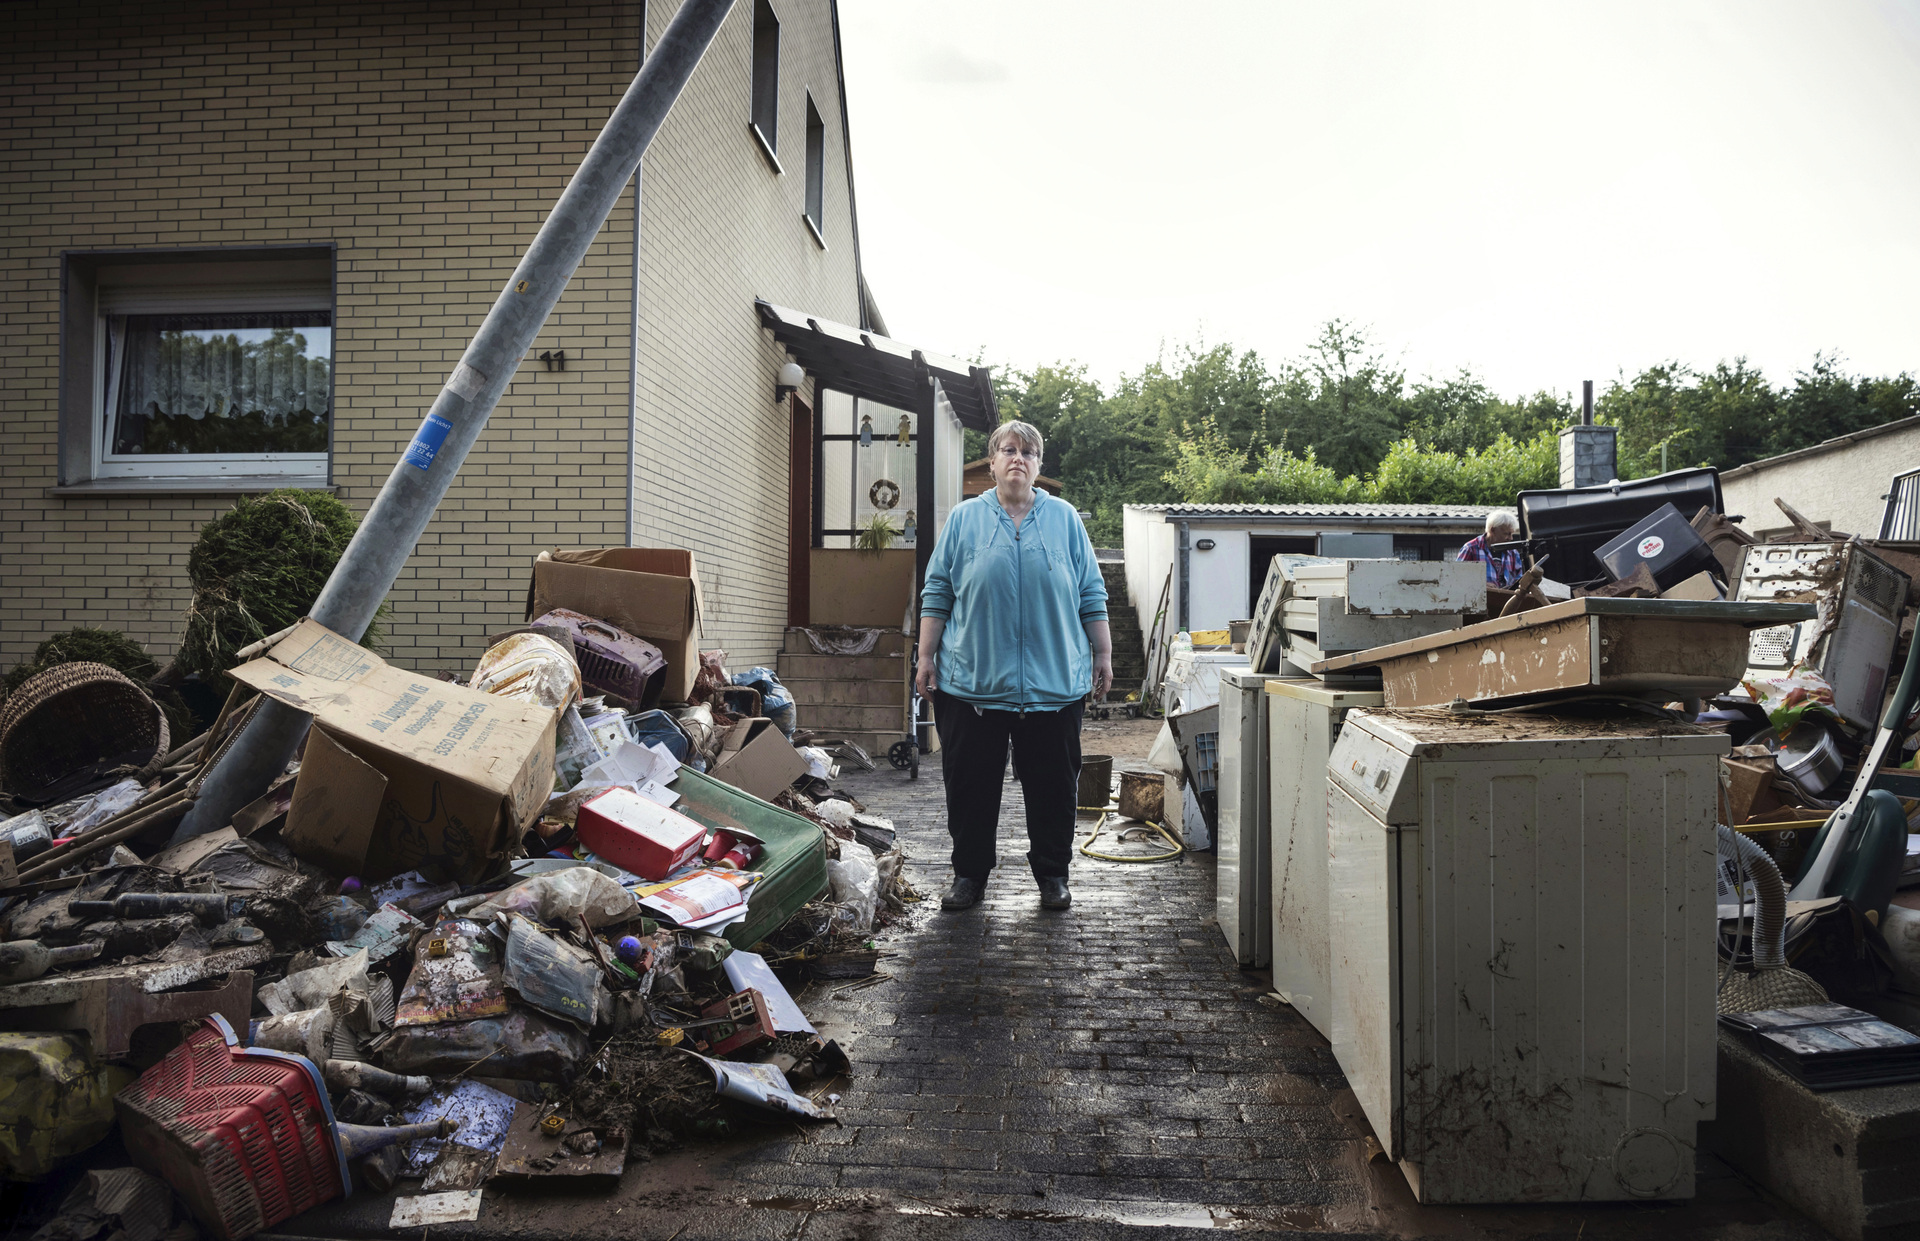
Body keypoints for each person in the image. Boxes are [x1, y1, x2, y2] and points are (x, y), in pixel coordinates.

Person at [916, 420, 1111, 913]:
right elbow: (938, 591)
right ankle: (969, 876)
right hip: (972, 685)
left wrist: (1104, 654)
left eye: (1028, 451)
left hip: (1054, 685)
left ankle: (1052, 875)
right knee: (970, 788)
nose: (1018, 458)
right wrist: (924, 655)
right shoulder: (964, 520)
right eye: (1008, 450)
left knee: (1053, 790)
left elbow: (1091, 591)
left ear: (1039, 465)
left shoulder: (1065, 519)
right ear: (993, 462)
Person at [1457, 510, 1525, 588]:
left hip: (1506, 599)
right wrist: (1481, 585)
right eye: (1506, 534)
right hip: (1478, 599)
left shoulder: (1513, 553)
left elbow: (1520, 579)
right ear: (1492, 530)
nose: (1510, 538)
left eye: (1511, 534)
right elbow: (1457, 578)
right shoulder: (1470, 549)